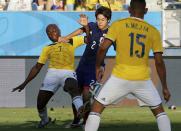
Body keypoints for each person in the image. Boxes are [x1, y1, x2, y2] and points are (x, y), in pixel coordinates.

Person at [85, 0, 172, 131]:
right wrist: (165, 87)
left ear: (129, 10)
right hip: (142, 80)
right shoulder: (153, 31)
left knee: (96, 109)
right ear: (146, 10)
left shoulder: (118, 25)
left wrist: (98, 67)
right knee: (160, 112)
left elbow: (103, 48)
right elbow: (159, 62)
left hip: (120, 77)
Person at [12, 24, 85, 128]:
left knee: (72, 86)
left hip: (67, 72)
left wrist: (86, 26)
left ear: (59, 31)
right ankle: (45, 119)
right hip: (52, 73)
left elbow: (88, 38)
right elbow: (37, 67)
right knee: (40, 102)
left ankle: (80, 109)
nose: (51, 33)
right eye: (49, 33)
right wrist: (24, 83)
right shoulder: (47, 48)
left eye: (54, 30)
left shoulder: (72, 40)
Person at [59, 6, 113, 128]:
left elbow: (118, 47)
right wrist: (66, 38)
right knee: (75, 93)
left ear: (108, 20)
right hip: (83, 65)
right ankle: (76, 120)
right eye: (98, 19)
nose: (100, 22)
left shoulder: (112, 32)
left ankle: (87, 121)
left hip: (95, 67)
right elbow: (81, 30)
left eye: (102, 19)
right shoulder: (93, 26)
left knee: (86, 95)